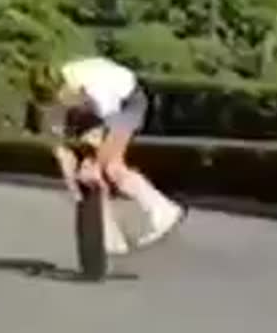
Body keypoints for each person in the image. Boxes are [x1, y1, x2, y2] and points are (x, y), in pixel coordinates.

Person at [29, 56, 187, 255]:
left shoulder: (96, 88)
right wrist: (75, 187)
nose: (59, 103)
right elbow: (58, 139)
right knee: (84, 169)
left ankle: (164, 210)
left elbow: (108, 127)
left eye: (59, 98)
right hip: (94, 109)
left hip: (127, 102)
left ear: (65, 87)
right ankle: (111, 238)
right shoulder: (60, 83)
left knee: (111, 167)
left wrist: (95, 160)